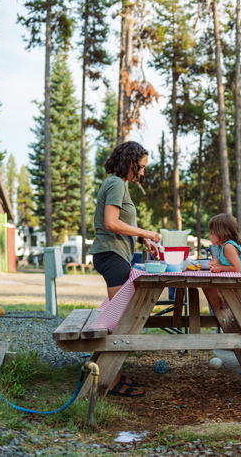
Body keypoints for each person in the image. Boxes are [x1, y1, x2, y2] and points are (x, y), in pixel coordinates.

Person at [89, 141, 161, 397]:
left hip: (114, 254)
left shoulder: (119, 184)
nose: (142, 172)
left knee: (119, 318)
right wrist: (145, 232)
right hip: (111, 255)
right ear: (128, 161)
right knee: (119, 322)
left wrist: (143, 240)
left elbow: (119, 224)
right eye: (140, 167)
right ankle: (109, 379)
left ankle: (110, 372)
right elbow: (111, 223)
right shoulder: (116, 183)